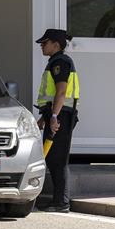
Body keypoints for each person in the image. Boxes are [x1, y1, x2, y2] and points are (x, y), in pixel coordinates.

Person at [35, 28, 80, 213]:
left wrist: (54, 117)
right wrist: (44, 118)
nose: (41, 47)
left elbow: (61, 92)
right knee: (53, 159)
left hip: (61, 116)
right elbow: (53, 95)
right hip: (56, 116)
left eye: (44, 43)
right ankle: (57, 201)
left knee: (58, 160)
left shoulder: (60, 62)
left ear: (56, 44)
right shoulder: (56, 61)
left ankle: (61, 202)